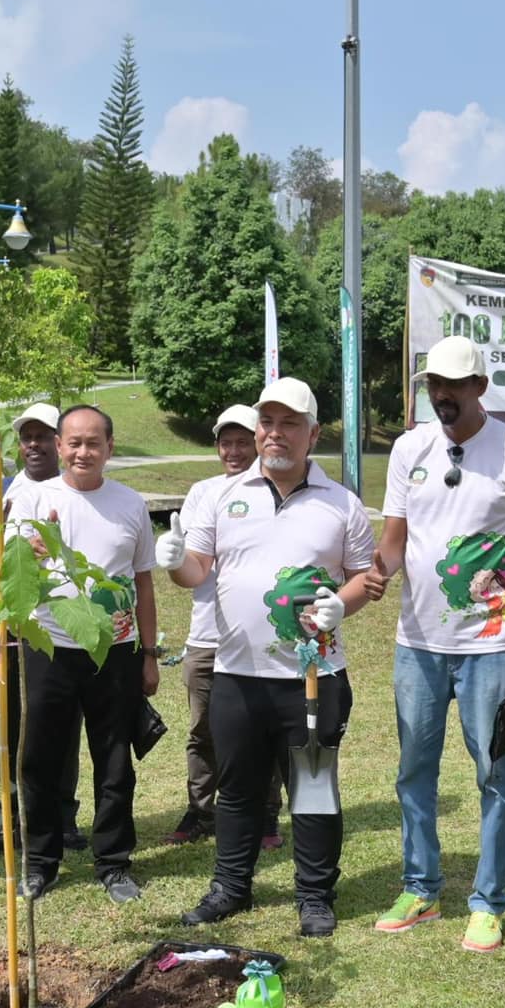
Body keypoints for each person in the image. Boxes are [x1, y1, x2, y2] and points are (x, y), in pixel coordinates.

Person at [161, 378, 379, 937]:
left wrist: (340, 606)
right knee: (237, 788)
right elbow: (197, 572)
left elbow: (361, 580)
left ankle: (314, 895)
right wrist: (172, 563)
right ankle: (230, 888)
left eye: (287, 424)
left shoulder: (342, 505)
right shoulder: (223, 496)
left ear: (312, 433)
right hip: (238, 673)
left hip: (311, 674)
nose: (273, 434)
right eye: (266, 423)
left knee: (312, 785)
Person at [373, 334, 505, 953]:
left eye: (453, 385)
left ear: (480, 387)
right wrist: (375, 571)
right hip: (418, 644)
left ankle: (489, 901)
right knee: (413, 772)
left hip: (495, 646)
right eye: (432, 385)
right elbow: (395, 541)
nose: (441, 396)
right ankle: (421, 888)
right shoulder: (408, 449)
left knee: (494, 774)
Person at [6, 405, 158, 903]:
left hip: (113, 649)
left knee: (114, 758)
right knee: (41, 758)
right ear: (58, 445)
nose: (83, 452)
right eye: (73, 442)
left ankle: (113, 861)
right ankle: (41, 861)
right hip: (48, 645)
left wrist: (149, 653)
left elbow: (142, 583)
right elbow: (13, 578)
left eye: (94, 443)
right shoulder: (31, 500)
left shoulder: (130, 504)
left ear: (110, 448)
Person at [167, 403, 284, 850]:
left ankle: (268, 813)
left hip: (258, 636)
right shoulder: (204, 492)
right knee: (203, 730)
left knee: (263, 728)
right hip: (206, 633)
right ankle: (202, 809)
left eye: (241, 441)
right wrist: (178, 558)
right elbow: (196, 562)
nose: (233, 450)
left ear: (256, 441)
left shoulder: (275, 490)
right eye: (225, 442)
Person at [0, 402, 83, 857]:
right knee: (15, 730)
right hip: (15, 632)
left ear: (59, 443)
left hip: (65, 632)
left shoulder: (76, 492)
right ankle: (12, 821)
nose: (35, 445)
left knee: (63, 730)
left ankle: (63, 816)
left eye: (44, 436)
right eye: (28, 437)